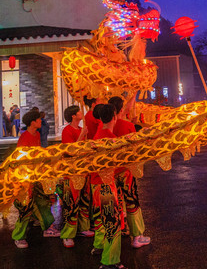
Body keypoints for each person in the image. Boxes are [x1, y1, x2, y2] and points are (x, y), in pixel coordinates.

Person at [12, 110, 59, 249]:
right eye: (39, 120)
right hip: (24, 179)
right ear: (33, 122)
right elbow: (20, 160)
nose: (41, 121)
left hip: (36, 176)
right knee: (25, 208)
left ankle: (47, 228)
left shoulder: (37, 134)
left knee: (43, 202)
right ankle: (18, 237)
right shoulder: (24, 138)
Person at [108, 96, 150, 249]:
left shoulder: (106, 126)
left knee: (115, 202)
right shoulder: (127, 126)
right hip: (125, 171)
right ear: (120, 110)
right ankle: (137, 236)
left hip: (111, 172)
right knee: (131, 201)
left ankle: (118, 230)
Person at [91, 103, 127, 269]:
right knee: (112, 221)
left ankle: (99, 246)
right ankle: (110, 262)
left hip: (97, 184)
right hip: (105, 185)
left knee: (101, 218)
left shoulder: (100, 132)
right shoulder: (110, 139)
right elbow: (115, 165)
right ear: (114, 116)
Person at [59, 105, 91, 248]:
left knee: (84, 200)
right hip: (72, 173)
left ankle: (83, 228)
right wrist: (81, 135)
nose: (81, 113)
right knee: (71, 203)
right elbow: (71, 151)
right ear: (73, 116)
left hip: (83, 170)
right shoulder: (67, 130)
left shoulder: (80, 129)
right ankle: (67, 234)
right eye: (79, 111)